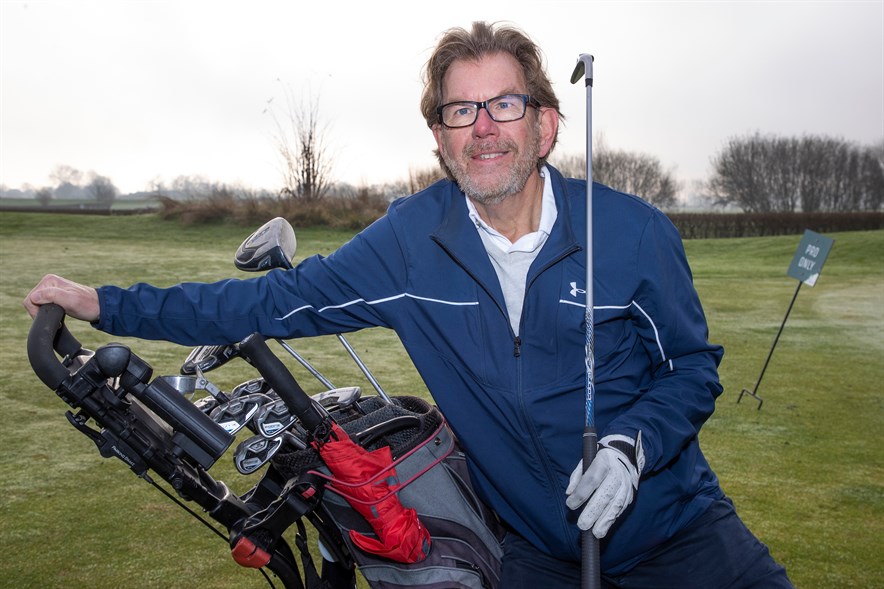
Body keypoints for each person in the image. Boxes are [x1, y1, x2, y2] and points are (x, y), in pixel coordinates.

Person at [25, 21, 792, 589]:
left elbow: (691, 368)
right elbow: (270, 302)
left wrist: (630, 446)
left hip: (678, 532)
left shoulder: (633, 233)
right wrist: (103, 303)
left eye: (505, 104)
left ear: (547, 124)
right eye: (461, 111)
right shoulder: (408, 242)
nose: (483, 128)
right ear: (440, 138)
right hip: (537, 551)